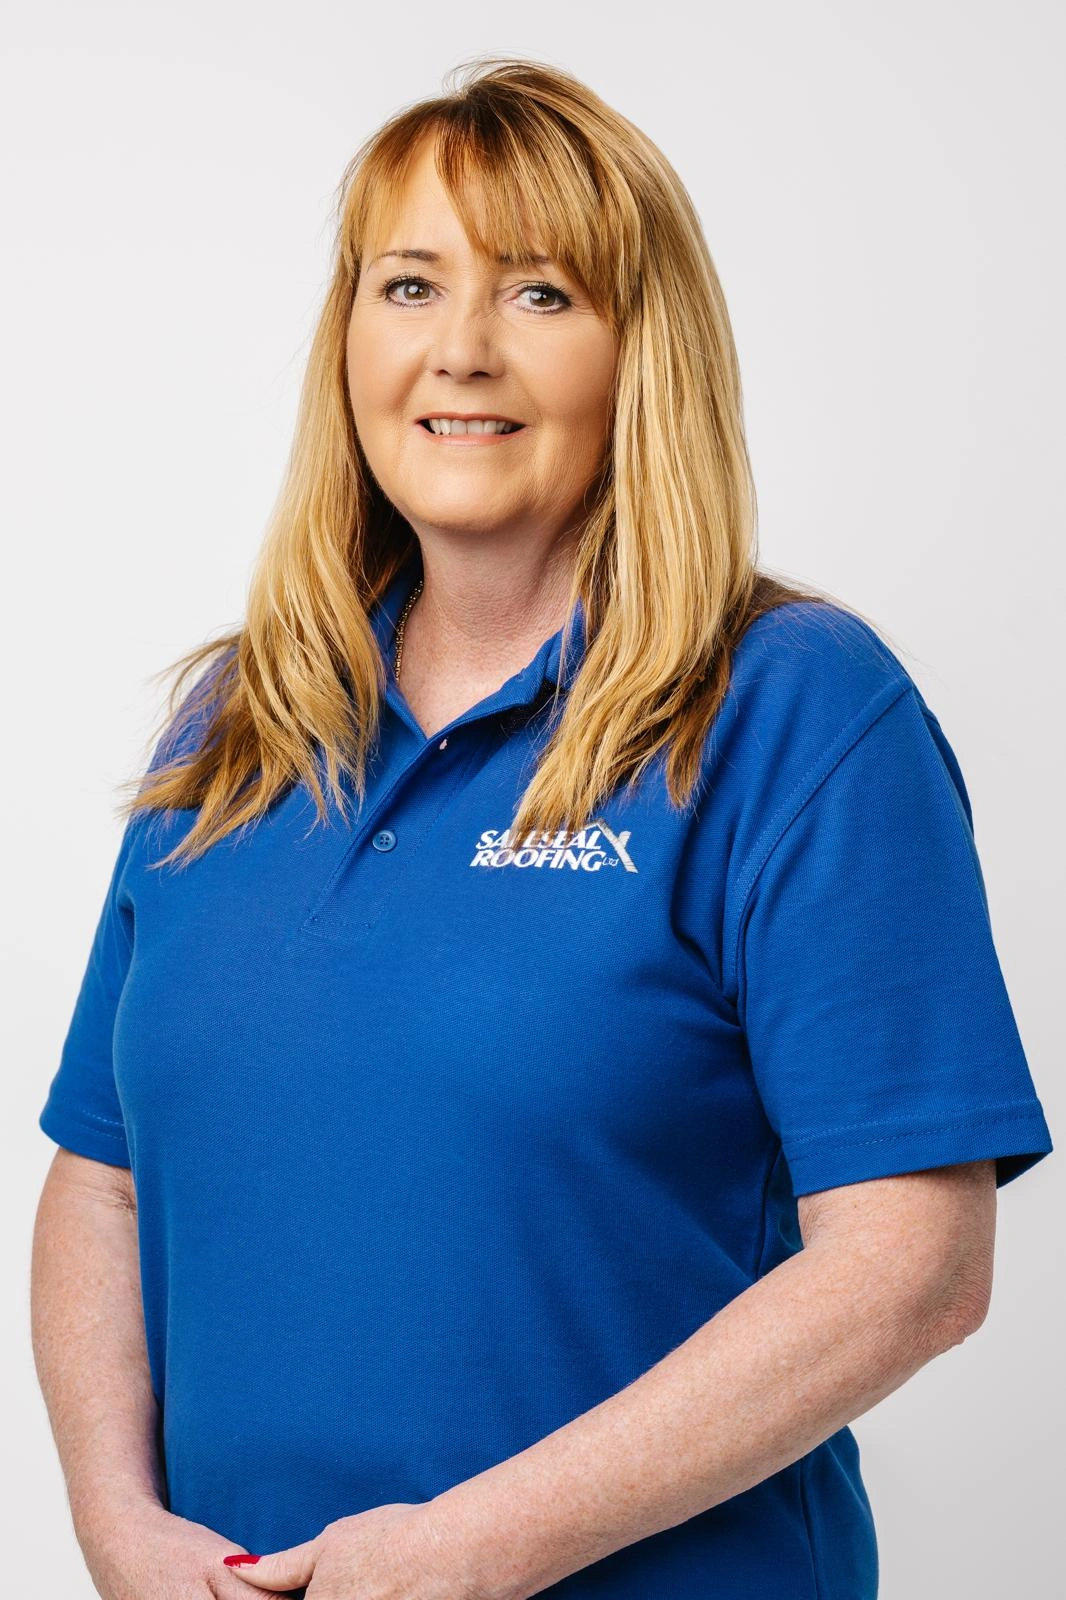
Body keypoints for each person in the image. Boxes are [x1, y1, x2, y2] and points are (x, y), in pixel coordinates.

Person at [31, 55, 1053, 1600]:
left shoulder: (790, 713)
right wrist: (121, 1529)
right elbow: (99, 1179)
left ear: (643, 351)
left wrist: (473, 1552)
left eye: (539, 295)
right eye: (409, 285)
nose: (459, 352)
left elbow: (909, 1272)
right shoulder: (234, 728)